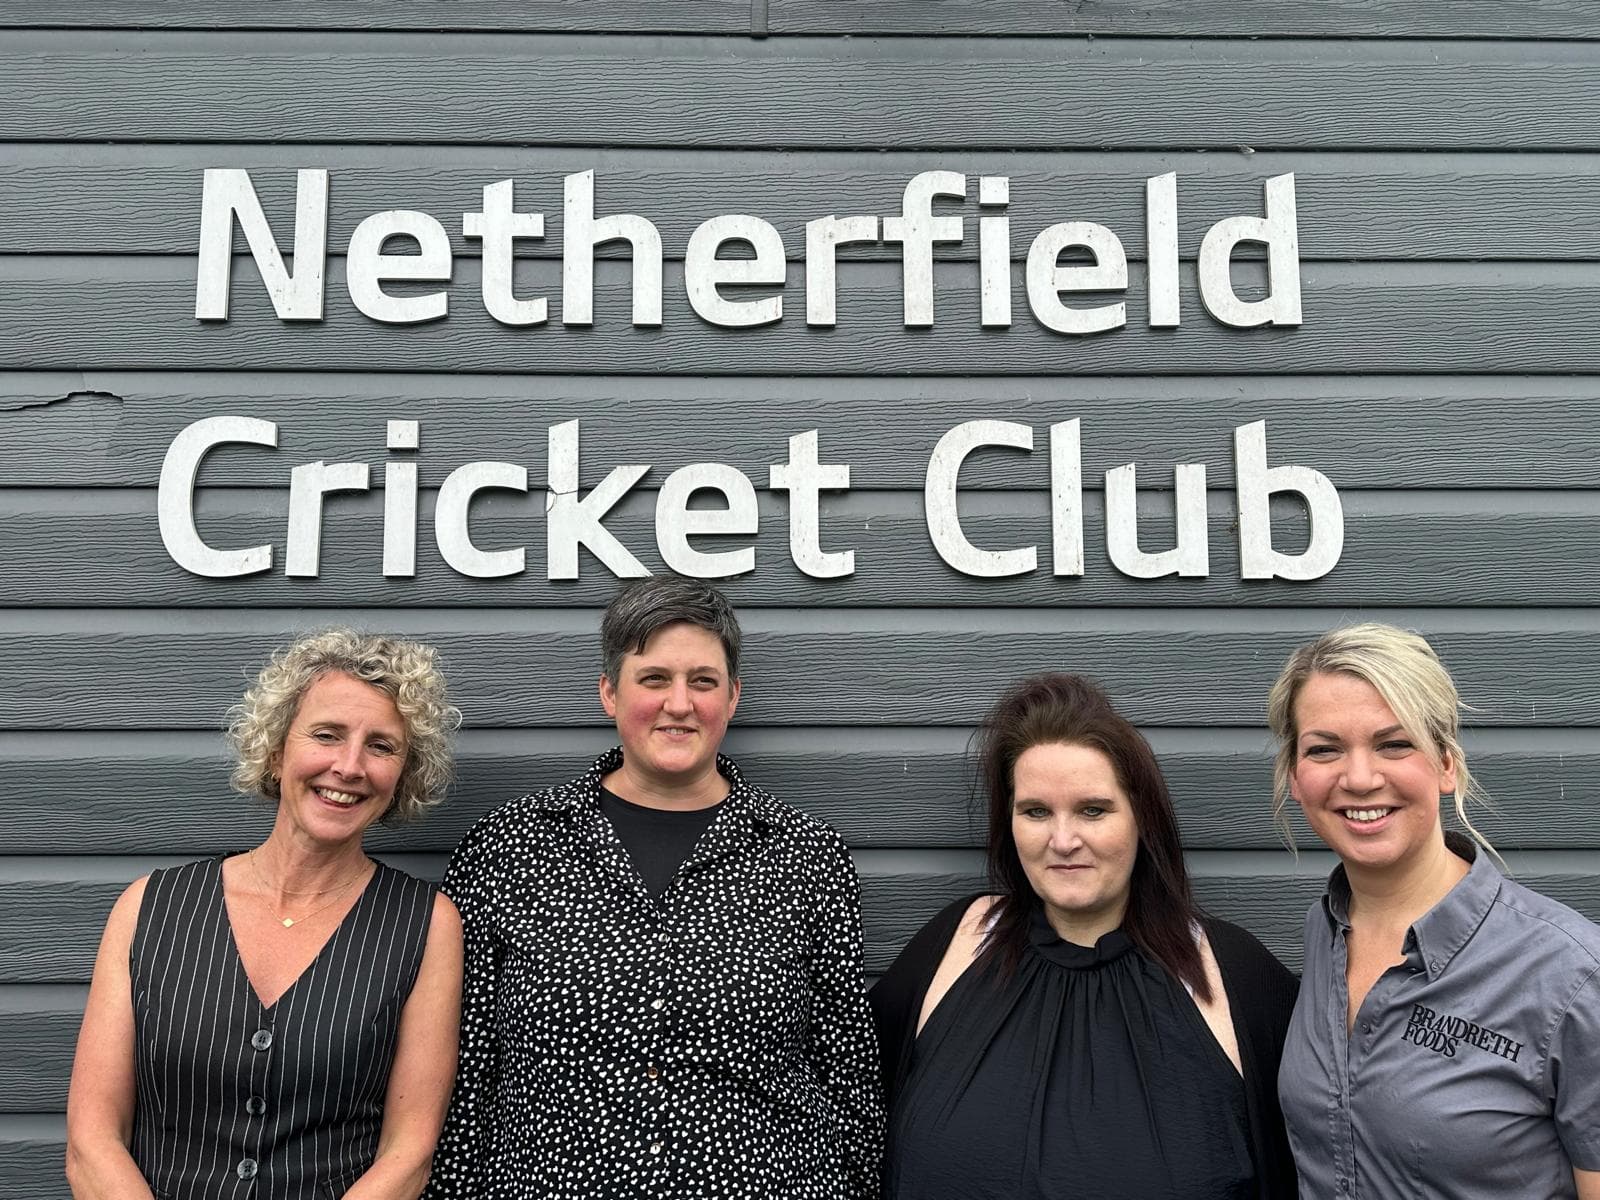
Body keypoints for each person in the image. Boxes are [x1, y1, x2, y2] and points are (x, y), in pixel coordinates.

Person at [426, 575, 882, 1200]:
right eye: (654, 679)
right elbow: (466, 1068)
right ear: (609, 694)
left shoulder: (807, 856)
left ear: (733, 697)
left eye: (703, 681)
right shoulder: (509, 847)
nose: (679, 703)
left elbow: (846, 1066)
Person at [65, 629, 465, 1200]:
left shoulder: (426, 925)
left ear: (403, 774)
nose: (349, 766)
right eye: (326, 735)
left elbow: (408, 1156)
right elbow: (91, 1142)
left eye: (382, 746)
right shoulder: (150, 908)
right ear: (277, 751)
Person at [871, 673, 1298, 1200]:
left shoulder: (1232, 974)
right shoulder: (955, 944)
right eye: (1035, 811)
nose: (1063, 840)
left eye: (1093, 810)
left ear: (1143, 820)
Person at [1269, 623, 1600, 1199]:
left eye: (1394, 744)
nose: (1360, 778)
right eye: (1324, 749)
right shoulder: (1325, 933)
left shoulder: (1571, 975)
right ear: (1296, 777)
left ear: (1446, 764)